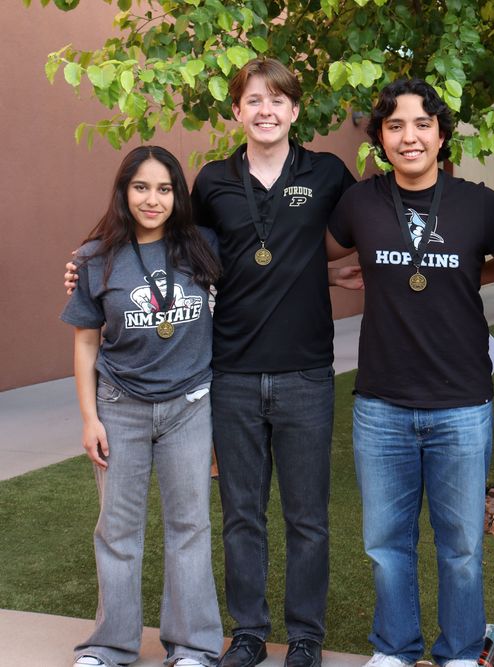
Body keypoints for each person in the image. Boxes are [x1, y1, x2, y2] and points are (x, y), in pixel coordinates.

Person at [65, 58, 359, 667]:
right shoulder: (212, 181)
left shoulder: (329, 173)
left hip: (306, 370)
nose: (266, 111)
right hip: (230, 373)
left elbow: (359, 232)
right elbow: (178, 249)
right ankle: (248, 632)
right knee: (239, 514)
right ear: (236, 111)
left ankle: (305, 636)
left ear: (296, 110)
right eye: (253, 100)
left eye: (277, 100)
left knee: (307, 516)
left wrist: (335, 268)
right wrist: (86, 267)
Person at [325, 78, 494, 667]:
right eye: (395, 126)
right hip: (381, 403)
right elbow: (320, 254)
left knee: (461, 546)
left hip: (461, 402)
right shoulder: (360, 202)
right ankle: (395, 648)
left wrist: (461, 273)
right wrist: (331, 276)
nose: (409, 137)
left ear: (440, 134)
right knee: (387, 545)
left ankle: (460, 652)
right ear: (381, 138)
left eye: (421, 125)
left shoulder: (478, 203)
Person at [62, 146, 223, 667]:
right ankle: (109, 646)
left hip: (190, 406)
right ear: (123, 191)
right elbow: (86, 341)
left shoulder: (203, 248)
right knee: (118, 529)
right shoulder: (93, 258)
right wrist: (89, 419)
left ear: (178, 195)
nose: (152, 199)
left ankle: (193, 647)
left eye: (164, 188)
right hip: (119, 406)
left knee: (190, 527)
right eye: (141, 187)